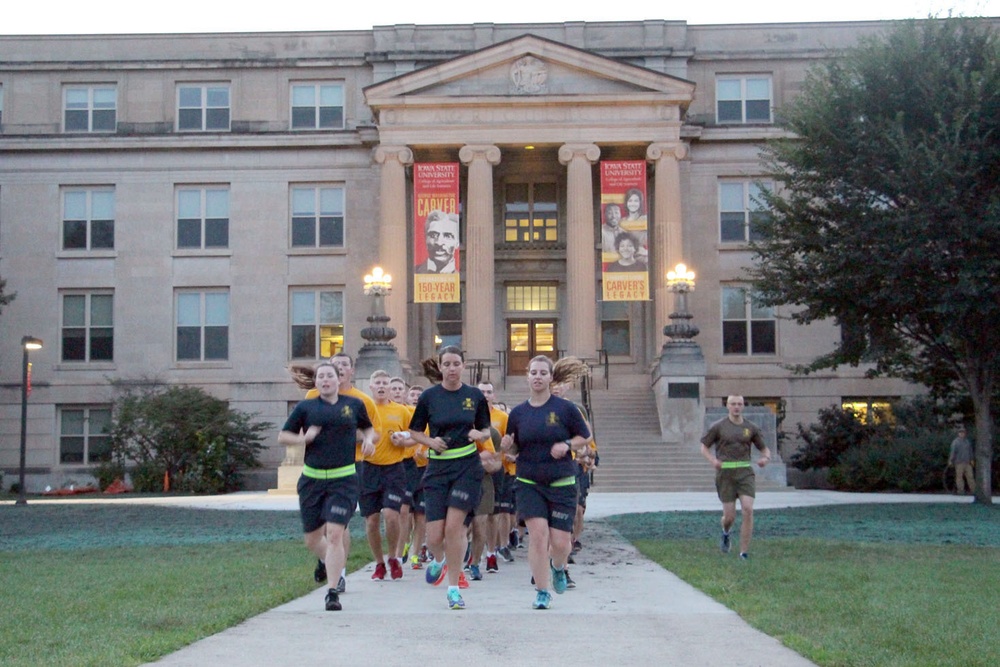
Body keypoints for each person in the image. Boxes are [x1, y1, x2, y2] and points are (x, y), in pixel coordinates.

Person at [392, 346, 491, 610]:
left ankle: (454, 589)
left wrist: (479, 436)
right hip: (437, 469)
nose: (451, 369)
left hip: (466, 468)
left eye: (456, 363)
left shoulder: (474, 396)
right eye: (446, 364)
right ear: (440, 367)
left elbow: (485, 429)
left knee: (454, 528)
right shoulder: (429, 396)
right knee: (434, 537)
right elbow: (414, 431)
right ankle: (438, 560)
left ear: (463, 365)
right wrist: (430, 441)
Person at [278, 361, 375, 611]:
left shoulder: (353, 405)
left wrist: (369, 440)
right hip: (312, 479)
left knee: (334, 534)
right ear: (316, 381)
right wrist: (303, 438)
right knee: (312, 539)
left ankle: (332, 591)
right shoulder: (306, 407)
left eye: (330, 376)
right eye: (321, 377)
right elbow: (283, 435)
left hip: (344, 479)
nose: (325, 380)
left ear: (339, 379)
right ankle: (326, 561)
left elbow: (368, 427)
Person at [501, 355, 591, 610]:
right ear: (527, 376)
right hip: (529, 481)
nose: (538, 377)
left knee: (561, 543)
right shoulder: (518, 413)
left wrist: (566, 445)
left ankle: (558, 567)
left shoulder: (565, 409)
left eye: (543, 373)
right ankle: (542, 591)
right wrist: (508, 445)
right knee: (538, 536)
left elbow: (585, 436)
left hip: (561, 481)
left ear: (551, 377)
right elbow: (515, 444)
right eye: (533, 372)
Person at [700, 395, 771, 560]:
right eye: (733, 404)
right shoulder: (718, 427)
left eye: (739, 404)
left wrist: (765, 459)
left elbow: (764, 449)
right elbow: (704, 447)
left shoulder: (750, 427)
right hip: (725, 474)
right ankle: (725, 532)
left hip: (745, 473)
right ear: (727, 406)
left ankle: (743, 553)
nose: (736, 407)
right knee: (729, 516)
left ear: (743, 406)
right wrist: (713, 461)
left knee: (748, 509)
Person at [363, 370, 411, 581]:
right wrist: (363, 441)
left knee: (392, 515)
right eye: (378, 383)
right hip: (368, 468)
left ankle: (393, 557)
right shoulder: (363, 409)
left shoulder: (401, 411)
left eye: (385, 383)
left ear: (390, 388)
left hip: (394, 469)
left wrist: (404, 440)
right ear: (371, 387)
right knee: (372, 520)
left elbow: (416, 435)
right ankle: (379, 563)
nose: (381, 386)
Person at [415, 209, 460, 274]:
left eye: (447, 236)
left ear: (457, 242)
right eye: (433, 235)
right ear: (425, 239)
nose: (439, 242)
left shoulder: (458, 275)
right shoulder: (413, 272)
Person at [948, 426, 975, 495]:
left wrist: (972, 459)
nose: (962, 434)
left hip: (967, 462)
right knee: (959, 477)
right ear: (958, 433)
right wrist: (951, 460)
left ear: (965, 433)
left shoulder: (967, 442)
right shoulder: (955, 442)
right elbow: (953, 452)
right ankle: (961, 491)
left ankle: (974, 490)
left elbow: (970, 451)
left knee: (970, 477)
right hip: (959, 463)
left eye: (963, 432)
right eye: (960, 432)